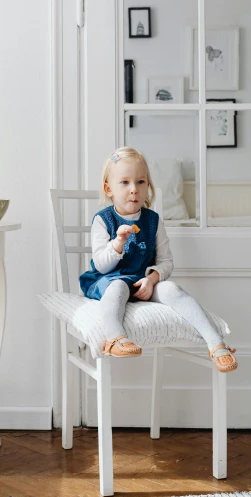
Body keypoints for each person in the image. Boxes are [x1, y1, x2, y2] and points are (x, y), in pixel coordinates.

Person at [79, 147, 238, 372]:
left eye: (141, 182)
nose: (134, 189)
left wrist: (152, 280)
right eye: (124, 182)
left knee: (172, 289)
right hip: (108, 280)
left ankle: (216, 343)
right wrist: (117, 243)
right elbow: (101, 265)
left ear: (148, 186)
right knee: (117, 287)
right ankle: (114, 338)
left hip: (140, 282)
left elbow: (166, 262)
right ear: (109, 188)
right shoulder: (103, 221)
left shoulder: (153, 221)